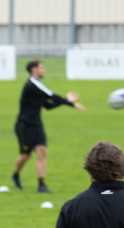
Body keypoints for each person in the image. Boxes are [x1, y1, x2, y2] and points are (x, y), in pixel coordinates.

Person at [13, 60, 85, 193]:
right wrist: (69, 102)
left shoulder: (38, 86)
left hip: (36, 124)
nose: (44, 70)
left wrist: (66, 102)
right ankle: (15, 175)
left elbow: (48, 105)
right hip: (25, 125)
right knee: (26, 155)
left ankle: (41, 185)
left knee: (42, 151)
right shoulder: (32, 84)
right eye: (42, 68)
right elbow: (51, 95)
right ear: (34, 69)